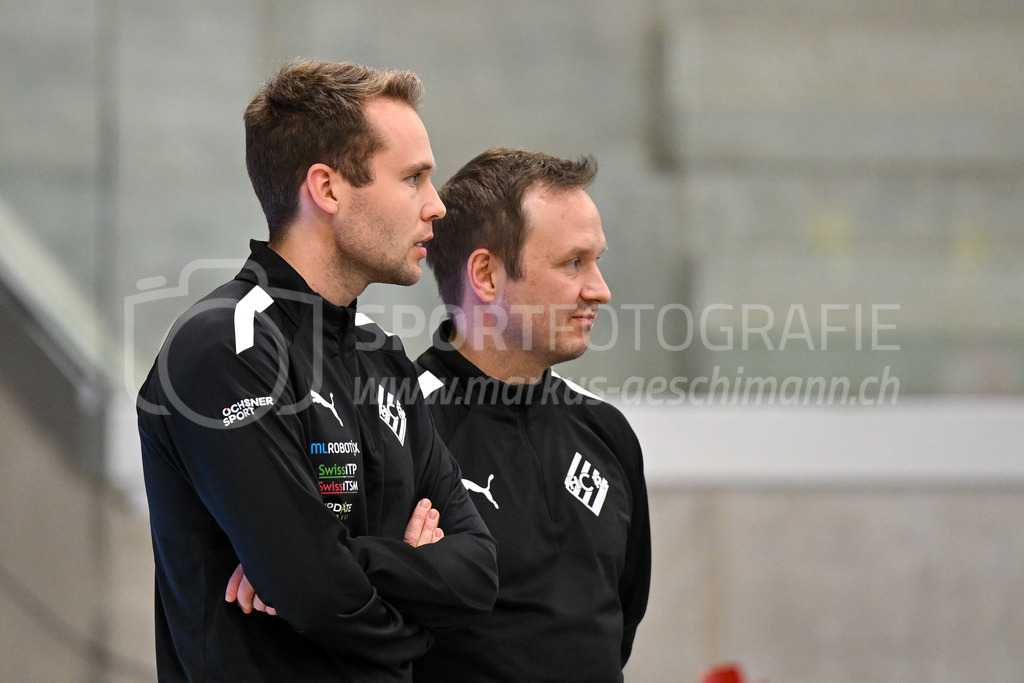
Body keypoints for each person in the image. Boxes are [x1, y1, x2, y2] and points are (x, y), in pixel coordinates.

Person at [136, 59, 498, 682]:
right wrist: (415, 607)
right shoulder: (225, 348)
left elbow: (478, 572)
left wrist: (347, 562)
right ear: (328, 189)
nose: (437, 207)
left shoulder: (381, 356)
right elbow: (319, 597)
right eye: (412, 178)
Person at [413, 148, 652, 682]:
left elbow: (617, 629)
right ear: (487, 275)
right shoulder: (397, 428)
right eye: (573, 263)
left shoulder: (606, 434)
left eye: (597, 260)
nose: (601, 290)